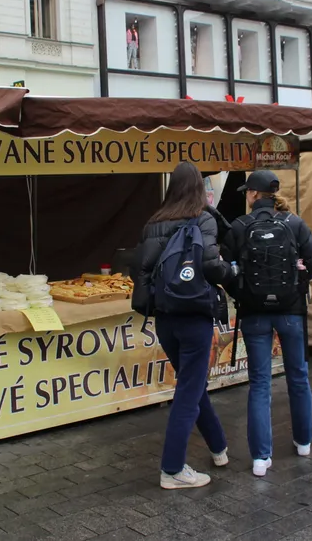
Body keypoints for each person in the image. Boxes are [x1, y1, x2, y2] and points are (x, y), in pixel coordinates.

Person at [131, 162, 231, 489]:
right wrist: (231, 273)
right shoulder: (202, 219)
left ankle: (218, 448)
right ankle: (172, 470)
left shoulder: (152, 223)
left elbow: (141, 270)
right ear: (199, 189)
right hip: (195, 316)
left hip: (165, 318)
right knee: (188, 391)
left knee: (192, 384)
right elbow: (211, 266)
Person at [224, 170, 312, 477]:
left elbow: (225, 268)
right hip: (291, 311)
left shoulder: (239, 226)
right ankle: (303, 442)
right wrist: (297, 284)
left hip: (253, 313)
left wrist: (241, 291)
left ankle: (260, 459)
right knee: (298, 376)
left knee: (260, 383)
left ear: (253, 194)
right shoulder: (294, 223)